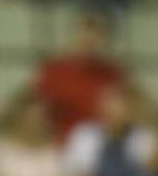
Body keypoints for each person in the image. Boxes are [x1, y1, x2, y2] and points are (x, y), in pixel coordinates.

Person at [34, 9, 129, 144]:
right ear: (74, 35)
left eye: (97, 36)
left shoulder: (113, 73)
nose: (89, 41)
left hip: (103, 147)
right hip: (60, 145)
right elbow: (38, 112)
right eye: (84, 34)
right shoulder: (53, 70)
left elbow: (124, 115)